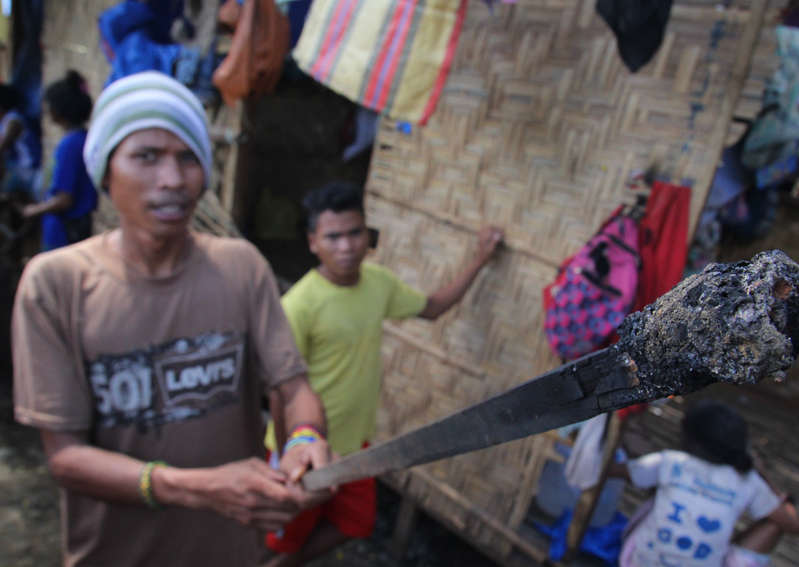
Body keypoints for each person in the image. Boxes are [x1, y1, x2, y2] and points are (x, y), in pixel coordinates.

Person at [12, 71, 332, 567]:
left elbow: (293, 386)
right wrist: (196, 489)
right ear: (106, 172)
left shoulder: (240, 266)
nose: (173, 179)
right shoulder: (56, 284)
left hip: (230, 553)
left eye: (188, 157)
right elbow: (66, 459)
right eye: (146, 156)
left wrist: (306, 438)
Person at [263, 182, 503, 567]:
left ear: (367, 234)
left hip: (355, 445)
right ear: (313, 242)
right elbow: (280, 391)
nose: (346, 246)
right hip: (304, 451)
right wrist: (281, 452)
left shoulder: (378, 282)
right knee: (279, 538)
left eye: (354, 232)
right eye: (333, 236)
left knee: (355, 524)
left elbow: (433, 308)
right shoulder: (298, 305)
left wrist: (480, 259)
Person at [611, 399, 799, 567]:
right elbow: (793, 526)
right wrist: (775, 487)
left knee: (659, 491)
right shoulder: (747, 481)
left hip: (636, 562)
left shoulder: (671, 462)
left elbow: (611, 471)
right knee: (774, 525)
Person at [21, 71, 99, 250]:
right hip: (75, 228)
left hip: (63, 232)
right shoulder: (82, 139)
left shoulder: (70, 145)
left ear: (58, 109)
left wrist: (34, 210)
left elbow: (64, 200)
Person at [0, 83, 39, 197]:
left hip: (28, 170)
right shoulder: (3, 121)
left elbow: (2, 148)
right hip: (16, 169)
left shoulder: (13, 120)